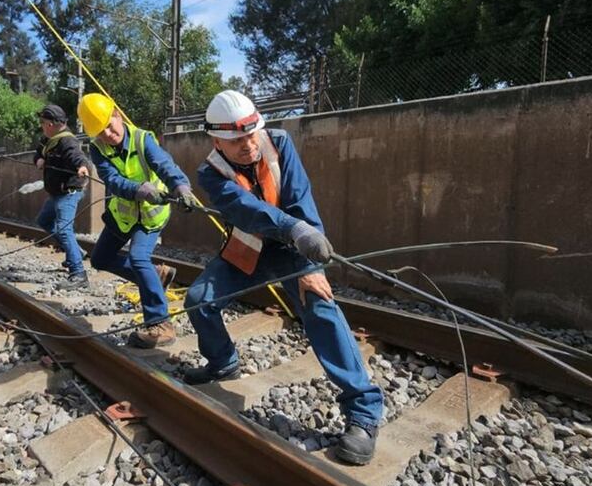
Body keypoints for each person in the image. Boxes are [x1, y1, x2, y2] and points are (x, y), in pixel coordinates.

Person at [182, 90, 384, 465]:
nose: (248, 145)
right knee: (199, 300)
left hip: (293, 250)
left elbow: (301, 201)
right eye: (237, 140)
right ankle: (223, 360)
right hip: (248, 250)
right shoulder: (210, 173)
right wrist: (293, 228)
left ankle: (364, 412)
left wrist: (311, 265)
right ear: (217, 142)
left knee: (321, 307)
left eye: (251, 134)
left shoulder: (279, 143)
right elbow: (246, 209)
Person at [78, 93, 202, 348]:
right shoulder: (97, 149)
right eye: (101, 131)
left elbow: (164, 165)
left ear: (117, 115)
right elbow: (111, 179)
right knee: (100, 259)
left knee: (138, 258)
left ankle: (161, 323)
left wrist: (181, 187)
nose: (108, 134)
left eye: (110, 126)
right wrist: (137, 189)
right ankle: (156, 276)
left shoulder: (143, 139)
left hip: (149, 217)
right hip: (121, 216)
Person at [33, 105, 91, 286]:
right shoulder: (47, 140)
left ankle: (78, 273)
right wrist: (39, 160)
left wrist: (82, 167)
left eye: (43, 122)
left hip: (69, 192)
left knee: (63, 229)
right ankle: (75, 251)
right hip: (56, 193)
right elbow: (37, 153)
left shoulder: (67, 141)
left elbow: (77, 156)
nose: (41, 125)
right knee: (44, 221)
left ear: (50, 124)